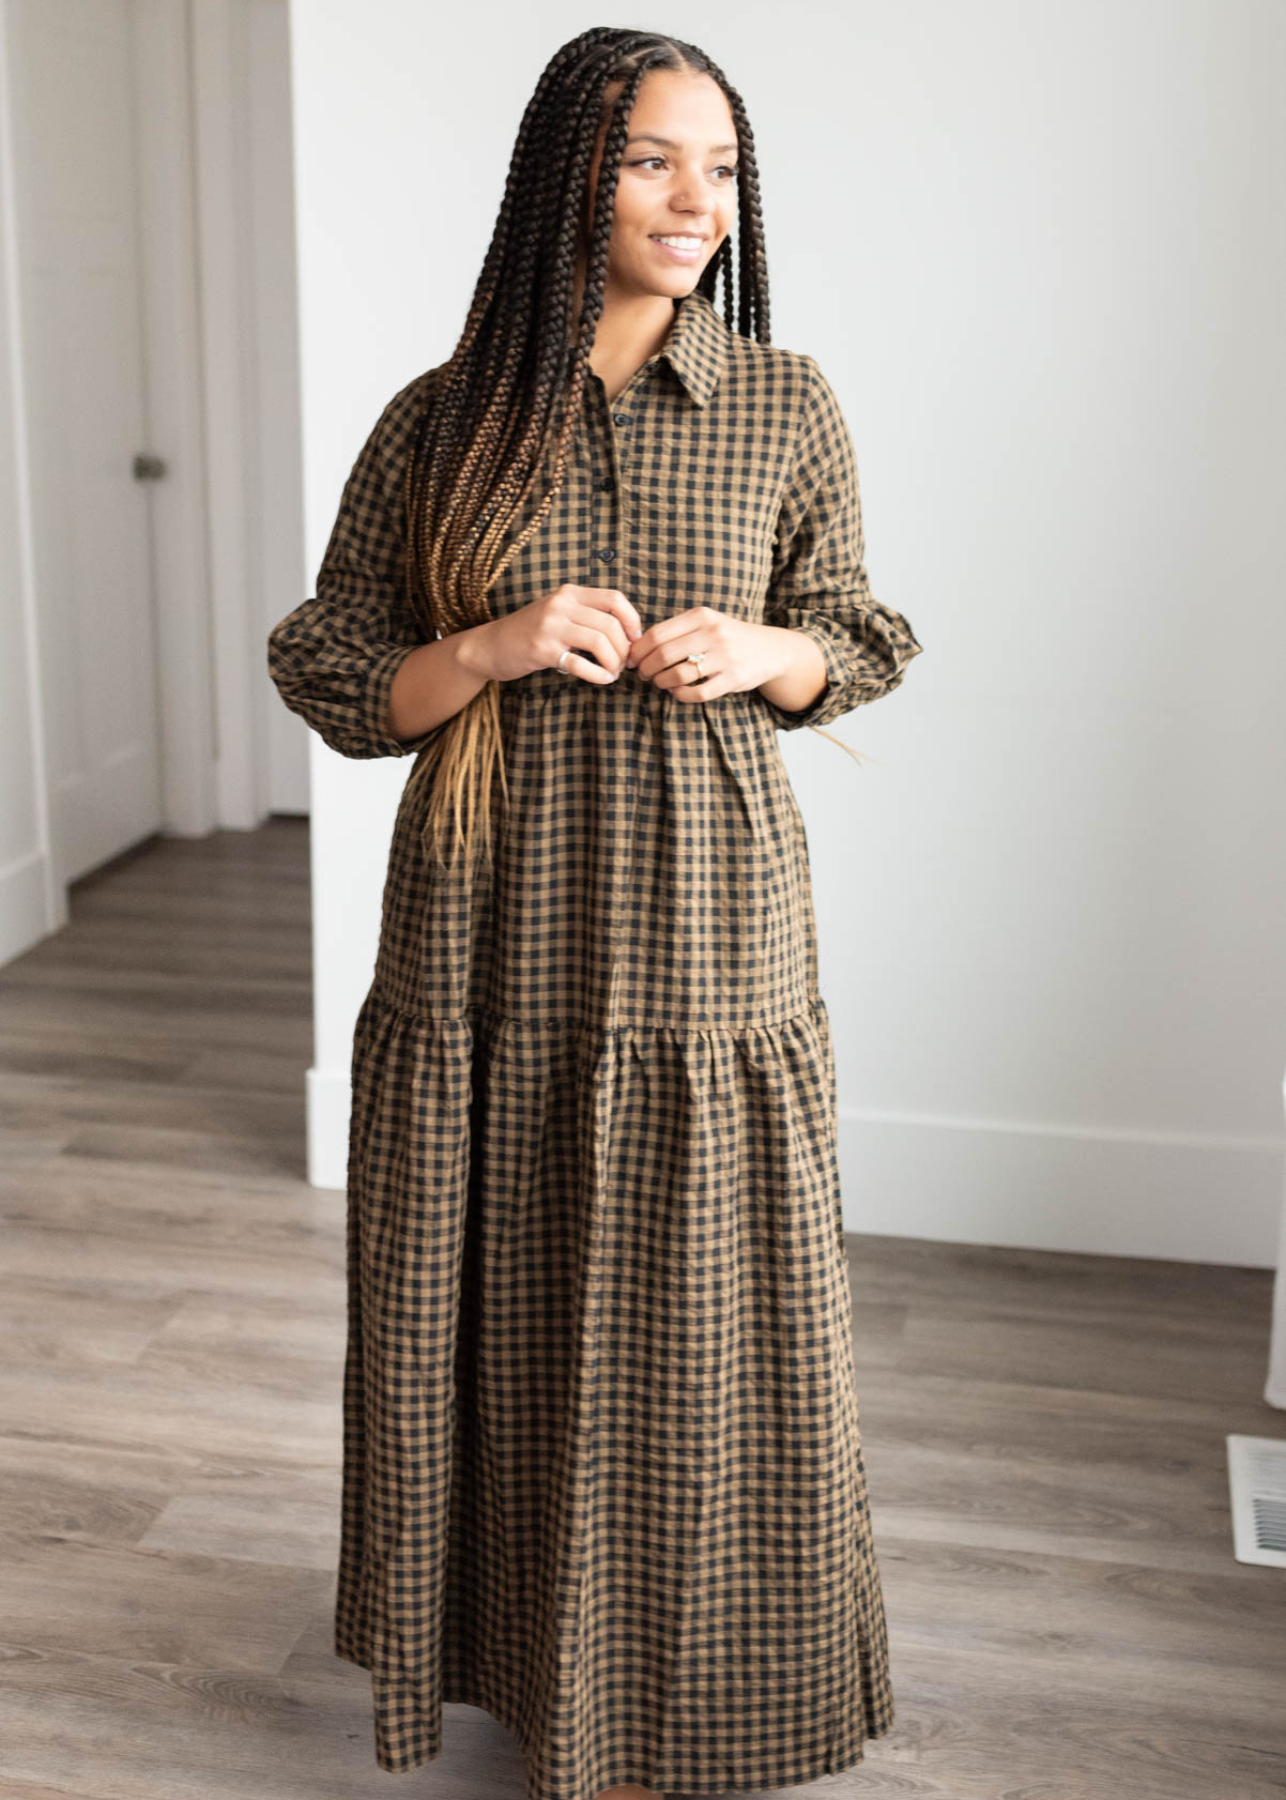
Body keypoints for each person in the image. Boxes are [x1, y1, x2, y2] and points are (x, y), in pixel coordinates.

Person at [267, 26, 922, 1800]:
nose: (695, 199)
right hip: (487, 924)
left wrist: (769, 648)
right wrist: (483, 644)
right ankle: (527, 1671)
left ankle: (682, 1699)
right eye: (652, 160)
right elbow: (326, 660)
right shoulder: (444, 417)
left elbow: (862, 631)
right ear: (571, 172)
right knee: (498, 1292)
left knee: (700, 1312)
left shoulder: (786, 405)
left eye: (719, 165)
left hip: (707, 939)